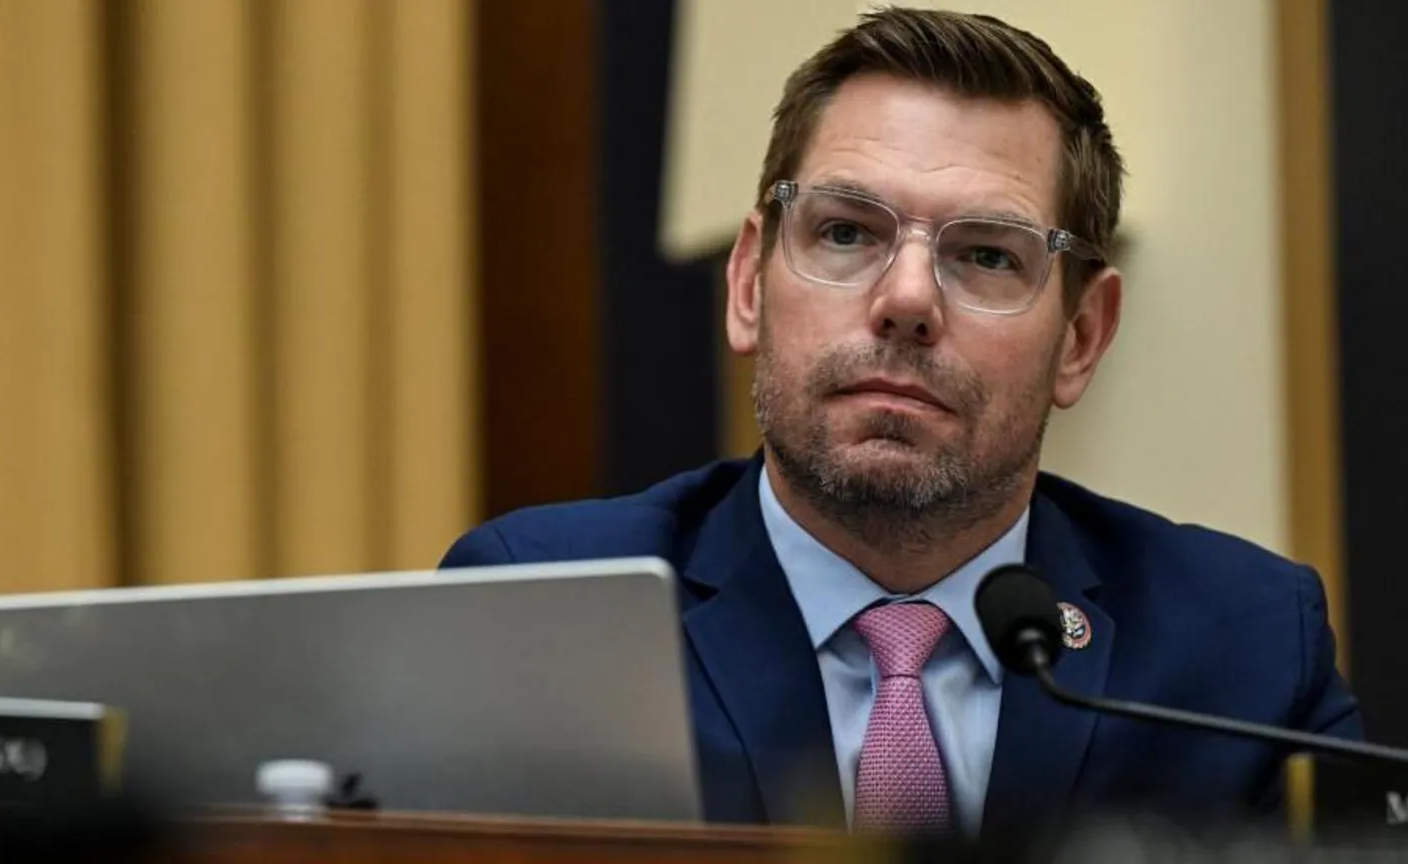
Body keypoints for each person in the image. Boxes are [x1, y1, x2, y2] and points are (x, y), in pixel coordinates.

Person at [441, 6, 1361, 839]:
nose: (908, 300)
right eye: (846, 233)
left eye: (988, 255)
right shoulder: (541, 611)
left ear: (1081, 337)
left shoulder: (1240, 653)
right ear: (749, 285)